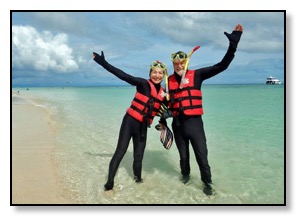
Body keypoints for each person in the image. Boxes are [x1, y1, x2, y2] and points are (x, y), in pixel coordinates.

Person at [160, 24, 243, 195]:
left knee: (202, 158)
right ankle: (185, 179)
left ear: (186, 62)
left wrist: (233, 45)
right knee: (183, 158)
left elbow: (222, 65)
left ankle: (207, 184)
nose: (179, 65)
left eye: (182, 62)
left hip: (195, 124)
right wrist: (162, 115)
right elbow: (164, 103)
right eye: (176, 63)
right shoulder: (168, 82)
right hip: (178, 126)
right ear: (173, 64)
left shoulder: (197, 75)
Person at [93, 51, 168, 191]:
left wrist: (166, 116)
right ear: (150, 73)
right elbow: (123, 75)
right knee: (120, 152)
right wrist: (104, 63)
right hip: (130, 122)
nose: (157, 75)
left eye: (160, 73)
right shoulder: (143, 84)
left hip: (143, 127)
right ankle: (109, 182)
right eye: (154, 72)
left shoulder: (163, 93)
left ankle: (138, 180)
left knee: (138, 156)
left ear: (164, 75)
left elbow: (163, 110)